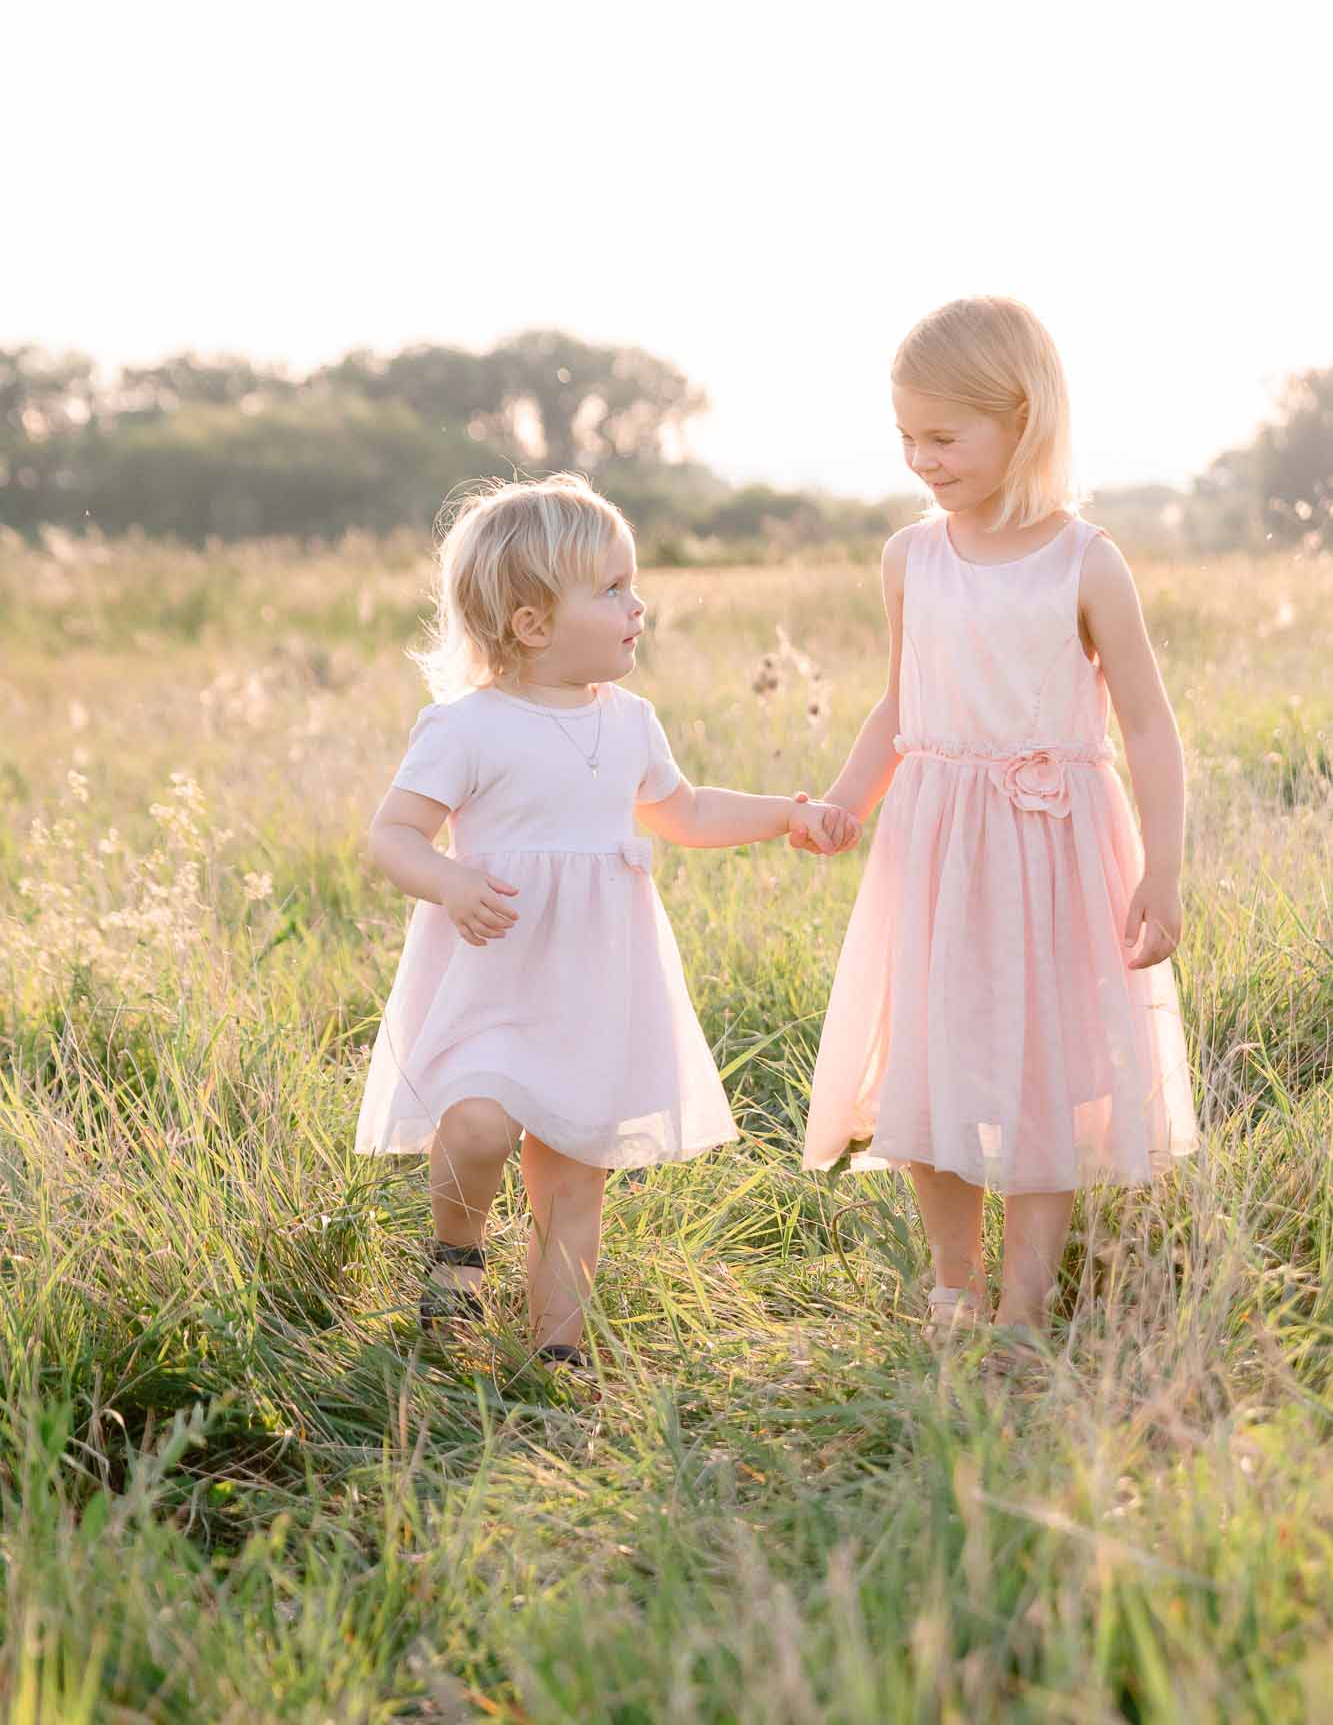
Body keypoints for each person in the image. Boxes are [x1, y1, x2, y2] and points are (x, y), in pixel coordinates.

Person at [355, 473, 860, 1372]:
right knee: (474, 1128)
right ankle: (456, 1259)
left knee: (573, 1175)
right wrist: (448, 882)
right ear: (532, 623)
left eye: (633, 584)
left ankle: (558, 1354)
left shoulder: (629, 722)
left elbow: (686, 810)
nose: (639, 605)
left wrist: (787, 814)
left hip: (591, 983)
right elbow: (392, 835)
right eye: (613, 588)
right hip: (494, 975)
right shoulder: (466, 727)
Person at [795, 296, 1198, 1372]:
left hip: (1052, 847)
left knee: (1038, 1076)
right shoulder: (909, 557)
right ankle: (952, 1289)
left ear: (1022, 419)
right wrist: (845, 801)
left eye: (943, 436)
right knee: (928, 1059)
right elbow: (897, 702)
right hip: (935, 843)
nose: (920, 460)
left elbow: (1147, 724)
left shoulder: (1085, 561)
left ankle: (1023, 1307)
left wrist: (1163, 869)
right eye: (905, 437)